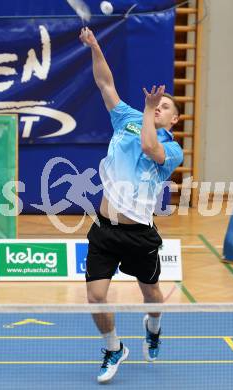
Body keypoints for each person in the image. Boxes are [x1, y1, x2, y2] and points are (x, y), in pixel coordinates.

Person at [79, 27, 183, 383]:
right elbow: (105, 84)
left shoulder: (172, 150)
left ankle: (153, 327)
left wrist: (148, 112)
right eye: (158, 103)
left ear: (173, 120)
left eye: (165, 107)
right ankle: (113, 347)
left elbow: (149, 150)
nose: (160, 107)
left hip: (140, 234)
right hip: (106, 228)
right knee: (95, 296)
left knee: (151, 294)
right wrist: (95, 48)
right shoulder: (126, 118)